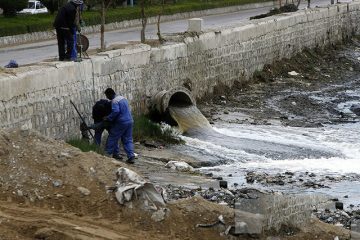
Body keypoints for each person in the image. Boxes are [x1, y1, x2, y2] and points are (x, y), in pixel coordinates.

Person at [104, 88, 135, 164]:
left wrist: (108, 118)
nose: (107, 98)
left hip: (121, 122)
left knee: (113, 137)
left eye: (107, 96)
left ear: (110, 94)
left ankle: (107, 154)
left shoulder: (114, 101)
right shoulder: (122, 98)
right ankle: (131, 156)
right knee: (128, 139)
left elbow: (116, 111)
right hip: (130, 121)